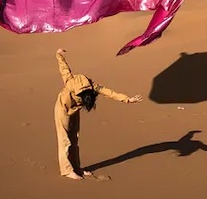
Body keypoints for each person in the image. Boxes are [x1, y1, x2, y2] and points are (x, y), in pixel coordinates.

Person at [53, 48, 143, 180]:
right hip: (62, 109)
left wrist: (127, 99)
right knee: (64, 140)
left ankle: (77, 168)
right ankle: (67, 170)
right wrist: (59, 55)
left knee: (74, 138)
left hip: (74, 110)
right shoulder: (71, 83)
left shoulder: (92, 86)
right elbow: (64, 69)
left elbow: (109, 92)